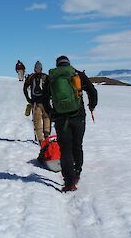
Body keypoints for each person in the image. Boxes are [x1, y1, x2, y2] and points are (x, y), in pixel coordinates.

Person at [44, 55, 98, 192]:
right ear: (68, 64)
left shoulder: (52, 78)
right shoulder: (77, 75)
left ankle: (69, 183)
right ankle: (77, 172)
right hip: (78, 116)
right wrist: (91, 106)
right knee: (77, 145)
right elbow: (93, 91)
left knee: (65, 149)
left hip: (61, 119)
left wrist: (52, 113)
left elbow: (45, 100)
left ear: (57, 65)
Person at [23, 61, 51, 145]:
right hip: (45, 103)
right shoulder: (46, 76)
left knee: (37, 121)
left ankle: (40, 140)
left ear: (35, 68)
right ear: (41, 68)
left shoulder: (31, 77)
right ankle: (46, 135)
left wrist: (28, 99)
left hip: (35, 103)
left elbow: (25, 88)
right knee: (46, 118)